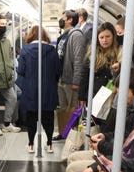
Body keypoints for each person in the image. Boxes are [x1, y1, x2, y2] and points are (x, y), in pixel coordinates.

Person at [16, 26, 61, 153]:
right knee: (48, 118)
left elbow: (20, 70)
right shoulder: (52, 50)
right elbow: (58, 70)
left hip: (31, 90)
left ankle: (31, 144)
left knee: (31, 119)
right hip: (48, 90)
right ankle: (50, 144)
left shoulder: (25, 50)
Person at [53, 10, 87, 140]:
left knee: (73, 109)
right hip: (62, 78)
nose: (60, 20)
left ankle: (73, 136)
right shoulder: (64, 36)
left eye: (63, 18)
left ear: (69, 20)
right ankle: (63, 133)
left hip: (71, 80)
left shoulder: (76, 35)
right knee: (62, 108)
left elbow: (79, 60)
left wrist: (76, 81)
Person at [78, 22, 120, 108]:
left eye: (108, 36)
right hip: (93, 95)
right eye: (101, 37)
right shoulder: (92, 54)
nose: (105, 40)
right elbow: (84, 76)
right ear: (97, 39)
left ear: (113, 37)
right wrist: (81, 97)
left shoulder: (119, 53)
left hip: (112, 95)